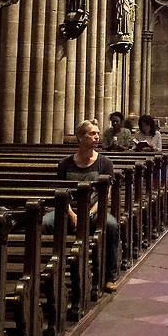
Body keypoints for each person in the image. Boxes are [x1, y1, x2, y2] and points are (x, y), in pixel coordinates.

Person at [55, 119, 124, 290]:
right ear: (80, 137)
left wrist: (88, 213)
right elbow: (61, 193)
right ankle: (47, 271)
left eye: (98, 134)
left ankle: (110, 276)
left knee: (112, 225)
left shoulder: (105, 163)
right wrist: (71, 213)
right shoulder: (65, 164)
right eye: (92, 133)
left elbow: (105, 195)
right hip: (68, 211)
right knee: (42, 225)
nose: (96, 137)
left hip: (95, 211)